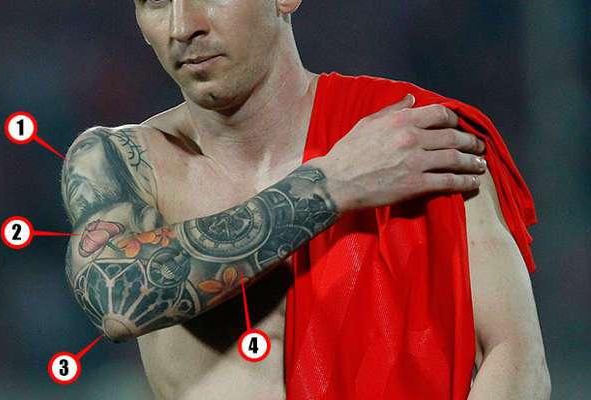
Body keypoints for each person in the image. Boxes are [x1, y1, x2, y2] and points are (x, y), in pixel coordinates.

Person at [61, 1, 550, 399]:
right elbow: (114, 300)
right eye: (155, 1)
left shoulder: (416, 138)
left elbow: (515, 360)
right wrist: (331, 185)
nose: (182, 26)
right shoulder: (120, 160)